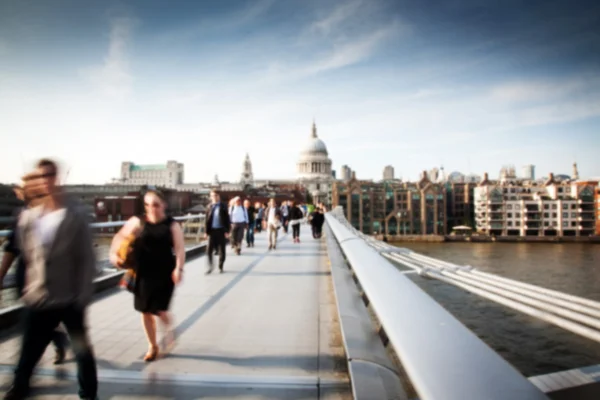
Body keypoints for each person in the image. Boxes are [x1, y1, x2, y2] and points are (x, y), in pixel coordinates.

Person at [5, 159, 98, 400]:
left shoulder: (74, 213)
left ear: (56, 177)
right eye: (40, 175)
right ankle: (18, 390)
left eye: (49, 174)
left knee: (82, 352)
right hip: (39, 297)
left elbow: (87, 258)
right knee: (28, 352)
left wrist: (82, 296)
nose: (45, 179)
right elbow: (26, 255)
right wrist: (27, 287)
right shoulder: (28, 216)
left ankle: (88, 395)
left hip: (70, 298)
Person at [109, 190, 185, 362]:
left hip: (165, 273)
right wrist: (114, 255)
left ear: (164, 205)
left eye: (156, 204)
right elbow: (119, 237)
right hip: (142, 273)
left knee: (160, 310)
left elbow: (180, 249)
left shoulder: (172, 225)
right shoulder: (138, 222)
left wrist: (179, 269)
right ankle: (152, 345)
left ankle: (169, 329)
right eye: (148, 205)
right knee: (145, 311)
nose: (152, 208)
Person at [0, 178, 69, 366]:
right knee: (37, 317)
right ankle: (57, 341)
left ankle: (24, 372)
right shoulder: (25, 215)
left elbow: (11, 249)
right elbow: (12, 247)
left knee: (35, 319)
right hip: (30, 275)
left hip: (41, 276)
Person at [204, 191, 231, 274]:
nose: (214, 197)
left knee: (222, 250)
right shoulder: (209, 206)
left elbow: (227, 219)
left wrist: (227, 231)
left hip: (221, 230)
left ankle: (220, 266)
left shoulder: (223, 206)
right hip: (212, 231)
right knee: (209, 250)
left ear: (218, 196)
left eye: (215, 195)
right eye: (212, 196)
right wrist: (206, 232)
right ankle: (210, 266)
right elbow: (206, 220)